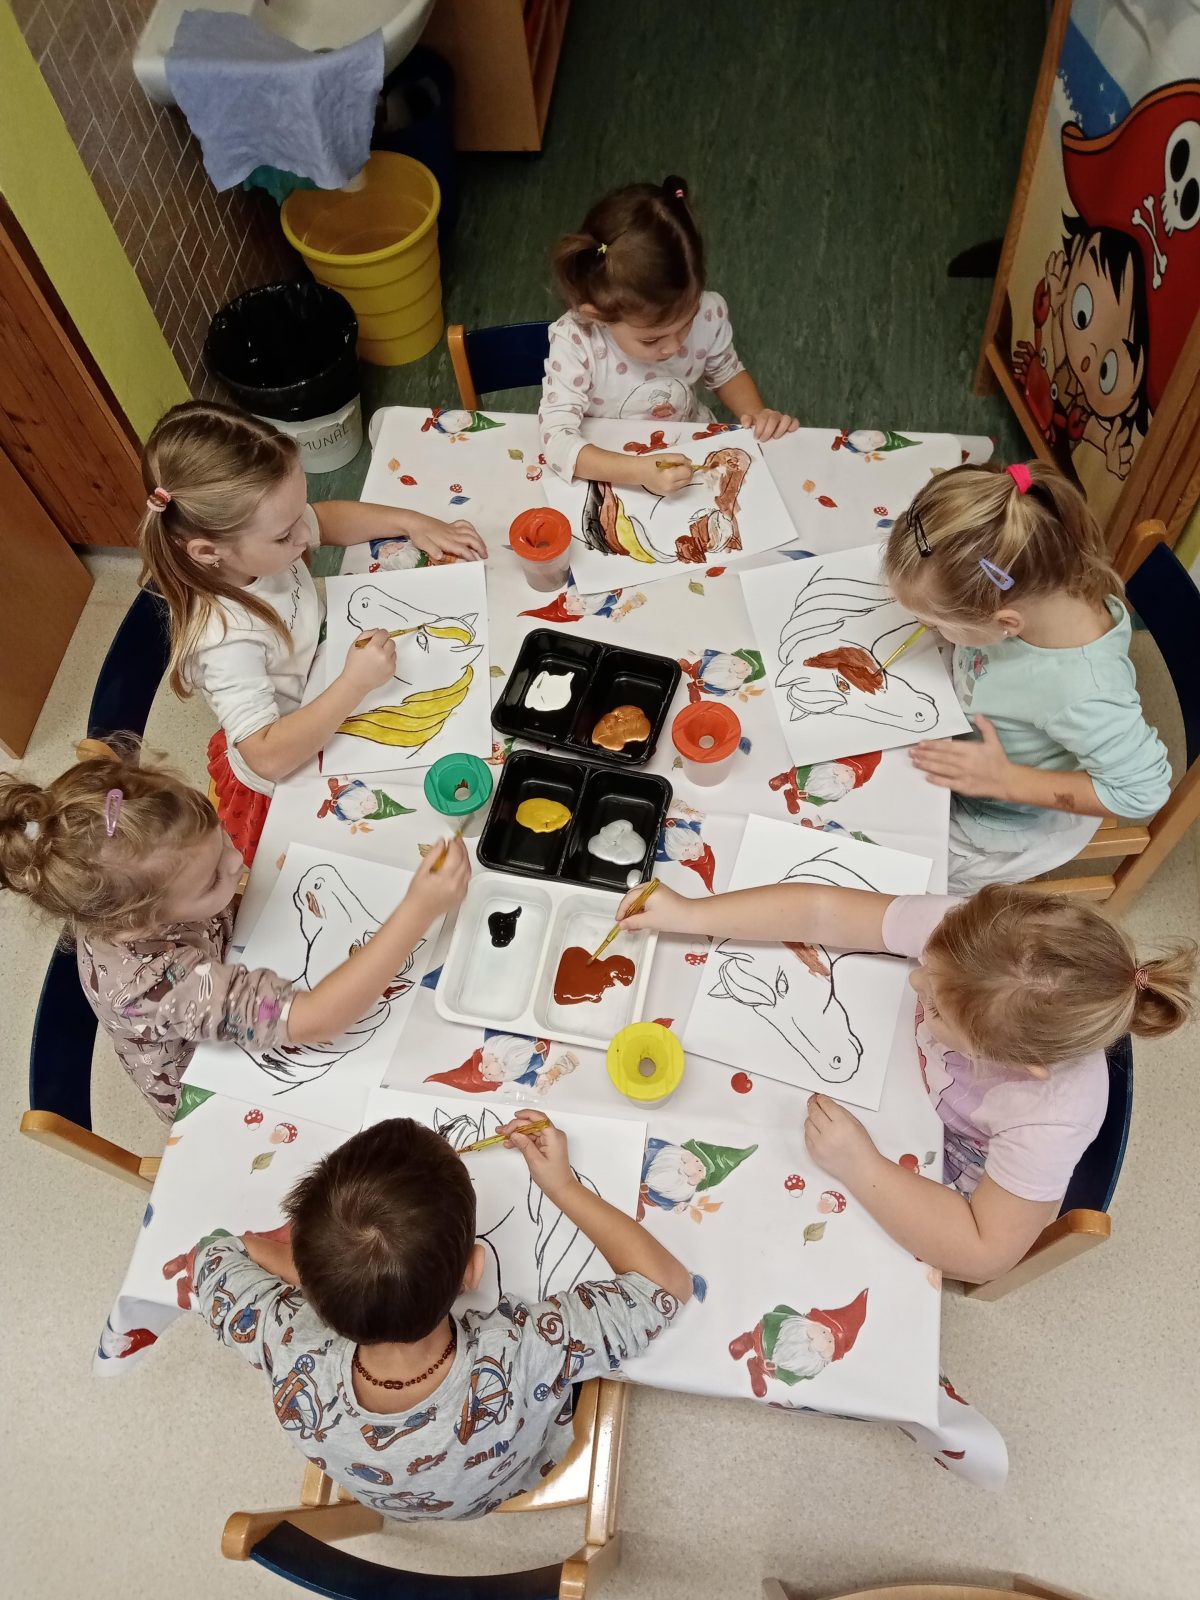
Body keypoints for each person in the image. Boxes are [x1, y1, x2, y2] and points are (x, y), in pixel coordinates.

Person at [616, 877, 1195, 1282]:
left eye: (937, 1008)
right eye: (926, 967)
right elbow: (820, 910)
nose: (916, 986)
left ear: (1015, 1064)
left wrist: (862, 1166)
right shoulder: (980, 939)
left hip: (941, 1162)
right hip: (882, 1079)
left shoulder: (1052, 1115)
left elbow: (983, 1251)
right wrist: (692, 914)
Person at [184, 1111, 693, 1520]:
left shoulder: (284, 1339)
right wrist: (563, 1187)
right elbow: (665, 1287)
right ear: (472, 1271)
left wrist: (323, 1270)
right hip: (510, 1478)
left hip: (384, 1495)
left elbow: (214, 1254)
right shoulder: (525, 1350)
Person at [0, 740, 469, 1122]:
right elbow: (317, 1020)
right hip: (210, 1082)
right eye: (211, 880)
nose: (238, 861)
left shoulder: (146, 883)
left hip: (232, 960)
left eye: (221, 837)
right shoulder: (155, 985)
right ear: (141, 921)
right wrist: (417, 912)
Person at [138, 400, 487, 864]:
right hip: (290, 765)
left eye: (297, 514)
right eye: (285, 536)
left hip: (324, 682)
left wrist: (413, 522)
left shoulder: (262, 536)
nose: (304, 538)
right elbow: (266, 757)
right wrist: (354, 684)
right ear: (208, 552)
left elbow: (325, 519)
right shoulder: (224, 639)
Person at [884, 460, 1171, 892]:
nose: (929, 628)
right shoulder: (1045, 575)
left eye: (938, 623)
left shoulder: (1083, 691)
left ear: (1006, 623)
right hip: (968, 742)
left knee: (898, 875)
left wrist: (1005, 780)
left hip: (1003, 820)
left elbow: (1143, 792)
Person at [540, 176, 797, 493]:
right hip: (609, 465)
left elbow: (726, 372)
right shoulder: (577, 340)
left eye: (686, 323)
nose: (675, 346)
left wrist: (756, 414)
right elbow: (556, 440)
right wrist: (638, 472)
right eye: (652, 339)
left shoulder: (708, 312)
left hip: (689, 443)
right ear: (599, 316)